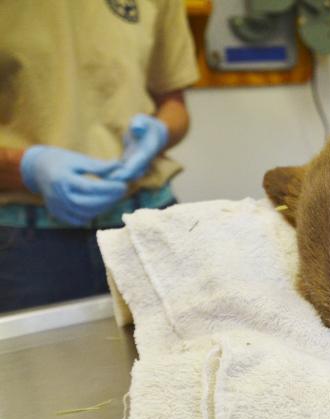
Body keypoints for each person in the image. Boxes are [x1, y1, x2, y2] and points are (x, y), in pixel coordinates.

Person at [0, 1, 199, 312]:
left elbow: (174, 103)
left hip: (147, 221)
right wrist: (24, 167)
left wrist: (159, 132)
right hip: (27, 243)